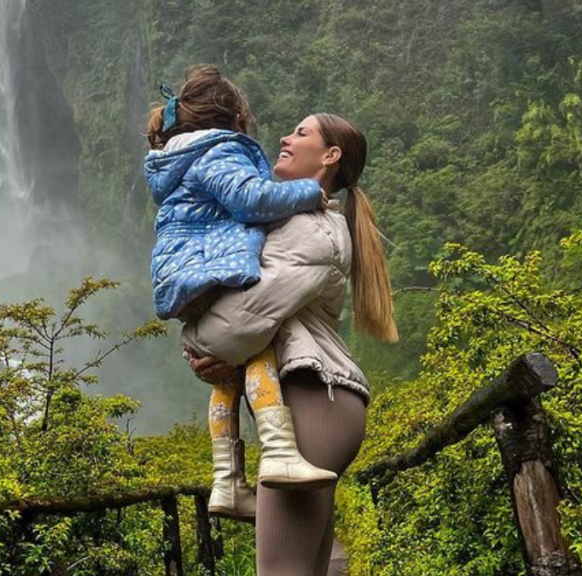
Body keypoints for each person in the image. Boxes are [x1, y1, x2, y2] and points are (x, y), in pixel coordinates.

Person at [184, 112, 397, 574]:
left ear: (330, 156)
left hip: (314, 399)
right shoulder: (303, 224)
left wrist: (198, 343)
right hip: (321, 402)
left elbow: (245, 318)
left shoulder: (310, 231)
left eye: (301, 133)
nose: (284, 137)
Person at [143, 65, 340, 522]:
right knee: (258, 345)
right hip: (210, 267)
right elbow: (250, 200)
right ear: (234, 120)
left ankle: (227, 480)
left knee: (228, 375)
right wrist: (307, 193)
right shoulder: (220, 152)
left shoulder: (178, 159)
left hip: (184, 274)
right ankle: (277, 449)